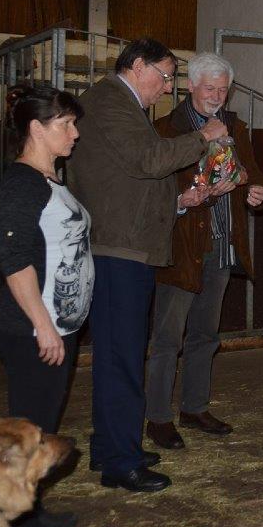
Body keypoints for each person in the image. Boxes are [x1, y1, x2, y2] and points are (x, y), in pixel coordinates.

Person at [68, 38, 228, 493]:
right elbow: (148, 160)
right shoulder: (111, 101)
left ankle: (111, 446)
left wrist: (177, 202)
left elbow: (128, 178)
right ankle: (122, 462)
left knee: (115, 356)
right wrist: (203, 137)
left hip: (122, 243)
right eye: (165, 74)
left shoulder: (116, 104)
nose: (167, 86)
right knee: (122, 357)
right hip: (119, 250)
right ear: (137, 66)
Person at [144, 52, 263, 450]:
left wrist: (253, 187)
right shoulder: (167, 129)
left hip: (220, 244)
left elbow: (252, 171)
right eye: (209, 88)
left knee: (205, 334)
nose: (216, 96)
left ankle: (194, 407)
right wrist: (182, 197)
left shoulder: (236, 127)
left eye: (222, 89)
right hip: (182, 246)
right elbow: (152, 187)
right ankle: (158, 416)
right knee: (167, 336)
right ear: (191, 87)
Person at [0, 85, 91, 527]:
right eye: (65, 124)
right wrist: (43, 326)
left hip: (56, 325)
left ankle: (30, 513)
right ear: (36, 128)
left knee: (42, 429)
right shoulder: (21, 184)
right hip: (34, 329)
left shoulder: (50, 179)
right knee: (28, 433)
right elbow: (16, 264)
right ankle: (18, 523)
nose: (74, 133)